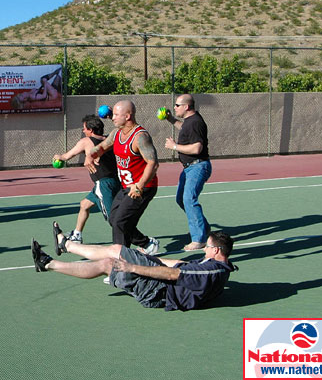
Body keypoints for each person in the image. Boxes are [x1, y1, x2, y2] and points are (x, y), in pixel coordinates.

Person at [32, 225, 236, 311]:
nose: (204, 250)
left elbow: (172, 274)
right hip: (161, 286)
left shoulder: (211, 271)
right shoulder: (217, 266)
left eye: (207, 247)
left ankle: (58, 255)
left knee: (111, 259)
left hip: (159, 291)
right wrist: (155, 260)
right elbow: (178, 266)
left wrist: (133, 267)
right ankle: (58, 255)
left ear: (217, 251)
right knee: (112, 256)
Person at [84, 100, 160, 254]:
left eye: (117, 115)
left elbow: (153, 163)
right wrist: (90, 155)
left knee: (120, 222)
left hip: (143, 187)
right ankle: (147, 244)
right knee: (113, 219)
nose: (112, 117)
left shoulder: (140, 137)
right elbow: (102, 147)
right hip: (125, 186)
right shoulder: (117, 133)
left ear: (128, 116)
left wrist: (139, 186)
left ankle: (121, 264)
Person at [52, 114, 120, 243]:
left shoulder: (86, 142)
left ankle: (145, 242)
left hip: (104, 184)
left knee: (115, 220)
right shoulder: (108, 140)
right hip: (115, 181)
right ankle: (77, 235)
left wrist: (57, 157)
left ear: (91, 130)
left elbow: (66, 157)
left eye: (84, 128)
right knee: (84, 205)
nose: (83, 131)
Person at [161, 94, 212, 251]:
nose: (174, 107)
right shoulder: (190, 121)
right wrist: (170, 119)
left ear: (186, 107)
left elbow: (197, 148)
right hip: (189, 167)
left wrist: (174, 146)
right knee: (181, 199)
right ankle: (205, 230)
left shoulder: (196, 123)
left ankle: (199, 239)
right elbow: (184, 128)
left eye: (177, 105)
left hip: (198, 166)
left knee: (189, 199)